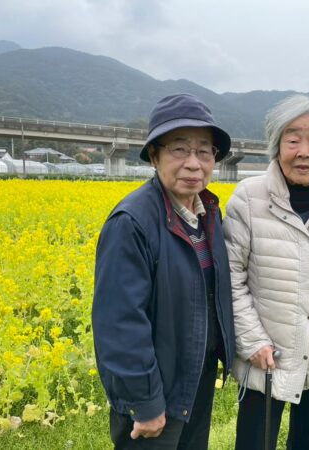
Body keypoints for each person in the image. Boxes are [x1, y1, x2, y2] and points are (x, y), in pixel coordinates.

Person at [92, 93, 235, 450]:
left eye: (204, 151)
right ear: (154, 156)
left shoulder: (209, 214)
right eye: (179, 149)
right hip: (157, 394)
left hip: (196, 380)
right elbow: (120, 322)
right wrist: (144, 402)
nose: (193, 163)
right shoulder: (132, 222)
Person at [223, 95, 309, 450]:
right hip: (264, 360)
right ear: (277, 145)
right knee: (255, 443)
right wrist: (252, 341)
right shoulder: (248, 198)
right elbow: (231, 278)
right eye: (293, 139)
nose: (304, 151)